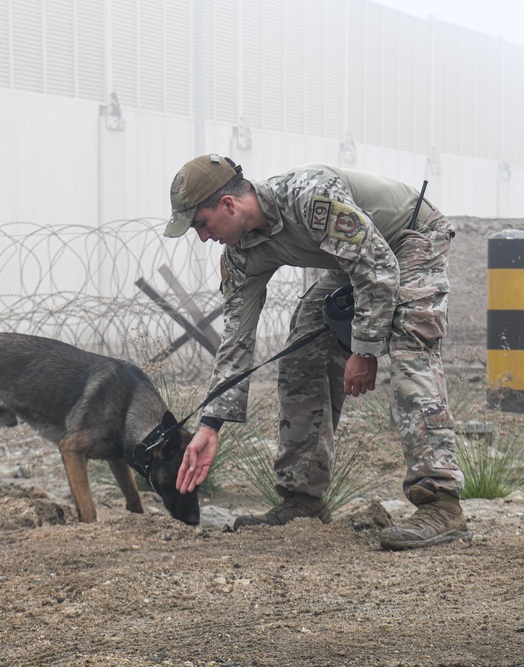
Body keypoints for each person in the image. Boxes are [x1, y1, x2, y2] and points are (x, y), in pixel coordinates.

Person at [163, 154, 468, 550]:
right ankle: (302, 498)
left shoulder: (311, 199)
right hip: (358, 261)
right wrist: (210, 425)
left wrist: (365, 350)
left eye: (201, 224)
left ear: (228, 205)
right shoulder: (240, 252)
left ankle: (441, 503)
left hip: (409, 239)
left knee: (411, 347)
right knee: (300, 355)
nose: (203, 237)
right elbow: (236, 335)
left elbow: (377, 268)